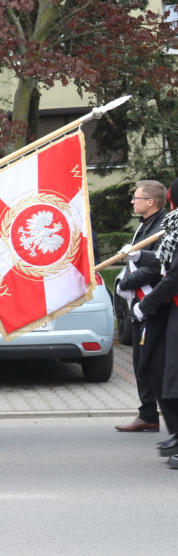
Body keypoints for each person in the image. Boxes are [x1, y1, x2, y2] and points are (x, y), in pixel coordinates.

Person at [129, 177, 178, 462]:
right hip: (169, 309)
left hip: (166, 306)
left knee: (167, 374)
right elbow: (164, 261)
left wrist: (145, 304)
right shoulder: (171, 227)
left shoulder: (169, 225)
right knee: (158, 369)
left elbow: (171, 274)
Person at [114, 180, 166, 433]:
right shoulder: (145, 226)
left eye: (136, 198)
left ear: (151, 202)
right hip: (139, 303)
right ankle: (147, 414)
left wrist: (127, 282)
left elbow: (156, 266)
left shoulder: (163, 227)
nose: (132, 201)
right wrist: (125, 282)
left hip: (154, 303)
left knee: (150, 363)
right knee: (139, 362)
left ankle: (152, 415)